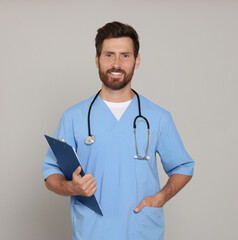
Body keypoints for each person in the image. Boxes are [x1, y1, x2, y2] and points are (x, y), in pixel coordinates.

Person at [43, 21, 195, 240]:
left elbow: (183, 166)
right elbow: (50, 175)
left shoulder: (158, 117)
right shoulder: (73, 117)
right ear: (97, 60)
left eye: (125, 55)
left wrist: (161, 197)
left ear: (137, 60)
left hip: (141, 230)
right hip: (93, 231)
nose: (116, 63)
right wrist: (71, 187)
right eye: (108, 55)